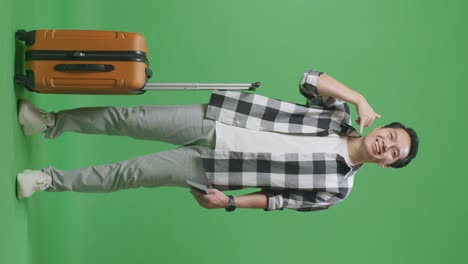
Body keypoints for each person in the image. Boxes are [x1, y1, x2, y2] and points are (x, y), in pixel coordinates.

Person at [16, 69, 419, 212]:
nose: (388, 145)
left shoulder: (338, 189)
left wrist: (229, 202)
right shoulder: (338, 114)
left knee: (131, 173)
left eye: (394, 153)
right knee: (129, 118)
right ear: (381, 128)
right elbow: (310, 78)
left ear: (387, 165)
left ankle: (49, 180)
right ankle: (48, 122)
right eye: (391, 137)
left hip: (220, 169)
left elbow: (278, 200)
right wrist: (358, 97)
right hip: (219, 121)